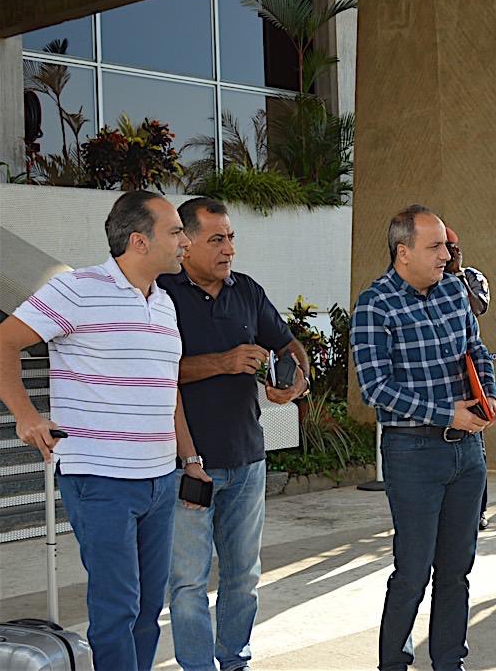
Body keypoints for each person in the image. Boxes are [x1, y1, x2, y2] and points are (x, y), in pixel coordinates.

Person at [0, 191, 205, 670]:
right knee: (117, 610)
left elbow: (165, 387)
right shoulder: (75, 289)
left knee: (148, 611)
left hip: (159, 479)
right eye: (176, 232)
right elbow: (4, 341)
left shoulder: (165, 303)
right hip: (100, 479)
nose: (185, 242)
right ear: (139, 241)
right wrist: (26, 415)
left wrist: (189, 458)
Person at [159, 197, 310, 671]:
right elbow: (152, 372)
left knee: (243, 577)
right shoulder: (159, 293)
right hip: (186, 465)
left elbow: (290, 347)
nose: (229, 249)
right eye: (217, 239)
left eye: (231, 238)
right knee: (188, 582)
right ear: (185, 244)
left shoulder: (246, 290)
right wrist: (222, 363)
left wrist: (294, 382)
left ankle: (234, 661)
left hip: (247, 460)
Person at [351, 205, 496, 671]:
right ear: (403, 252)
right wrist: (447, 412)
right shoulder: (374, 304)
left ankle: (449, 662)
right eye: (435, 247)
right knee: (413, 571)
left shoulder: (454, 291)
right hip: (412, 452)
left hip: (467, 452)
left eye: (446, 246)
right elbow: (375, 389)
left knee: (456, 571)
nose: (446, 255)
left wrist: (488, 395)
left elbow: (476, 350)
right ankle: (393, 663)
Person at [443, 226, 493, 530]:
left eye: (451, 248)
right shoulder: (429, 282)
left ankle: (479, 510)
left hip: (468, 376)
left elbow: (478, 307)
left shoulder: (471, 277)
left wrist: (458, 274)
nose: (447, 254)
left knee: (476, 449)